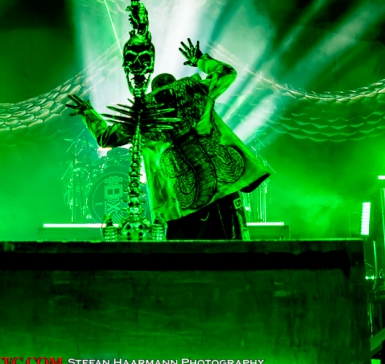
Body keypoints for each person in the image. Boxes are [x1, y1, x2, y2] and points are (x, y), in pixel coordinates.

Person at [66, 39, 272, 240]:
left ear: (152, 89)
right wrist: (200, 60)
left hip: (178, 203)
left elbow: (106, 138)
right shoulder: (194, 89)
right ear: (173, 82)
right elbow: (227, 72)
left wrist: (88, 113)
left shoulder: (144, 109)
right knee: (230, 249)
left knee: (181, 255)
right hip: (221, 191)